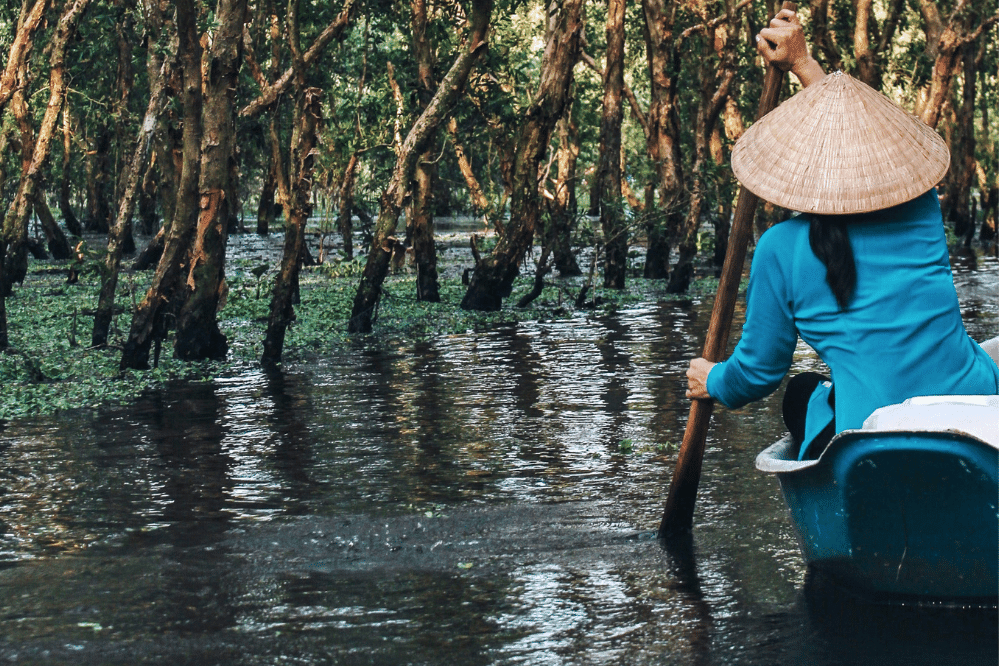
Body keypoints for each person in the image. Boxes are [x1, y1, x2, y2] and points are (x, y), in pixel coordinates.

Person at [685, 9, 999, 460]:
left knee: (803, 392)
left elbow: (757, 373)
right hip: (973, 404)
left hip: (872, 439)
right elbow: (864, 140)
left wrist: (711, 380)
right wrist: (804, 63)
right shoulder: (920, 206)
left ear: (795, 172)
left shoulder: (779, 249)